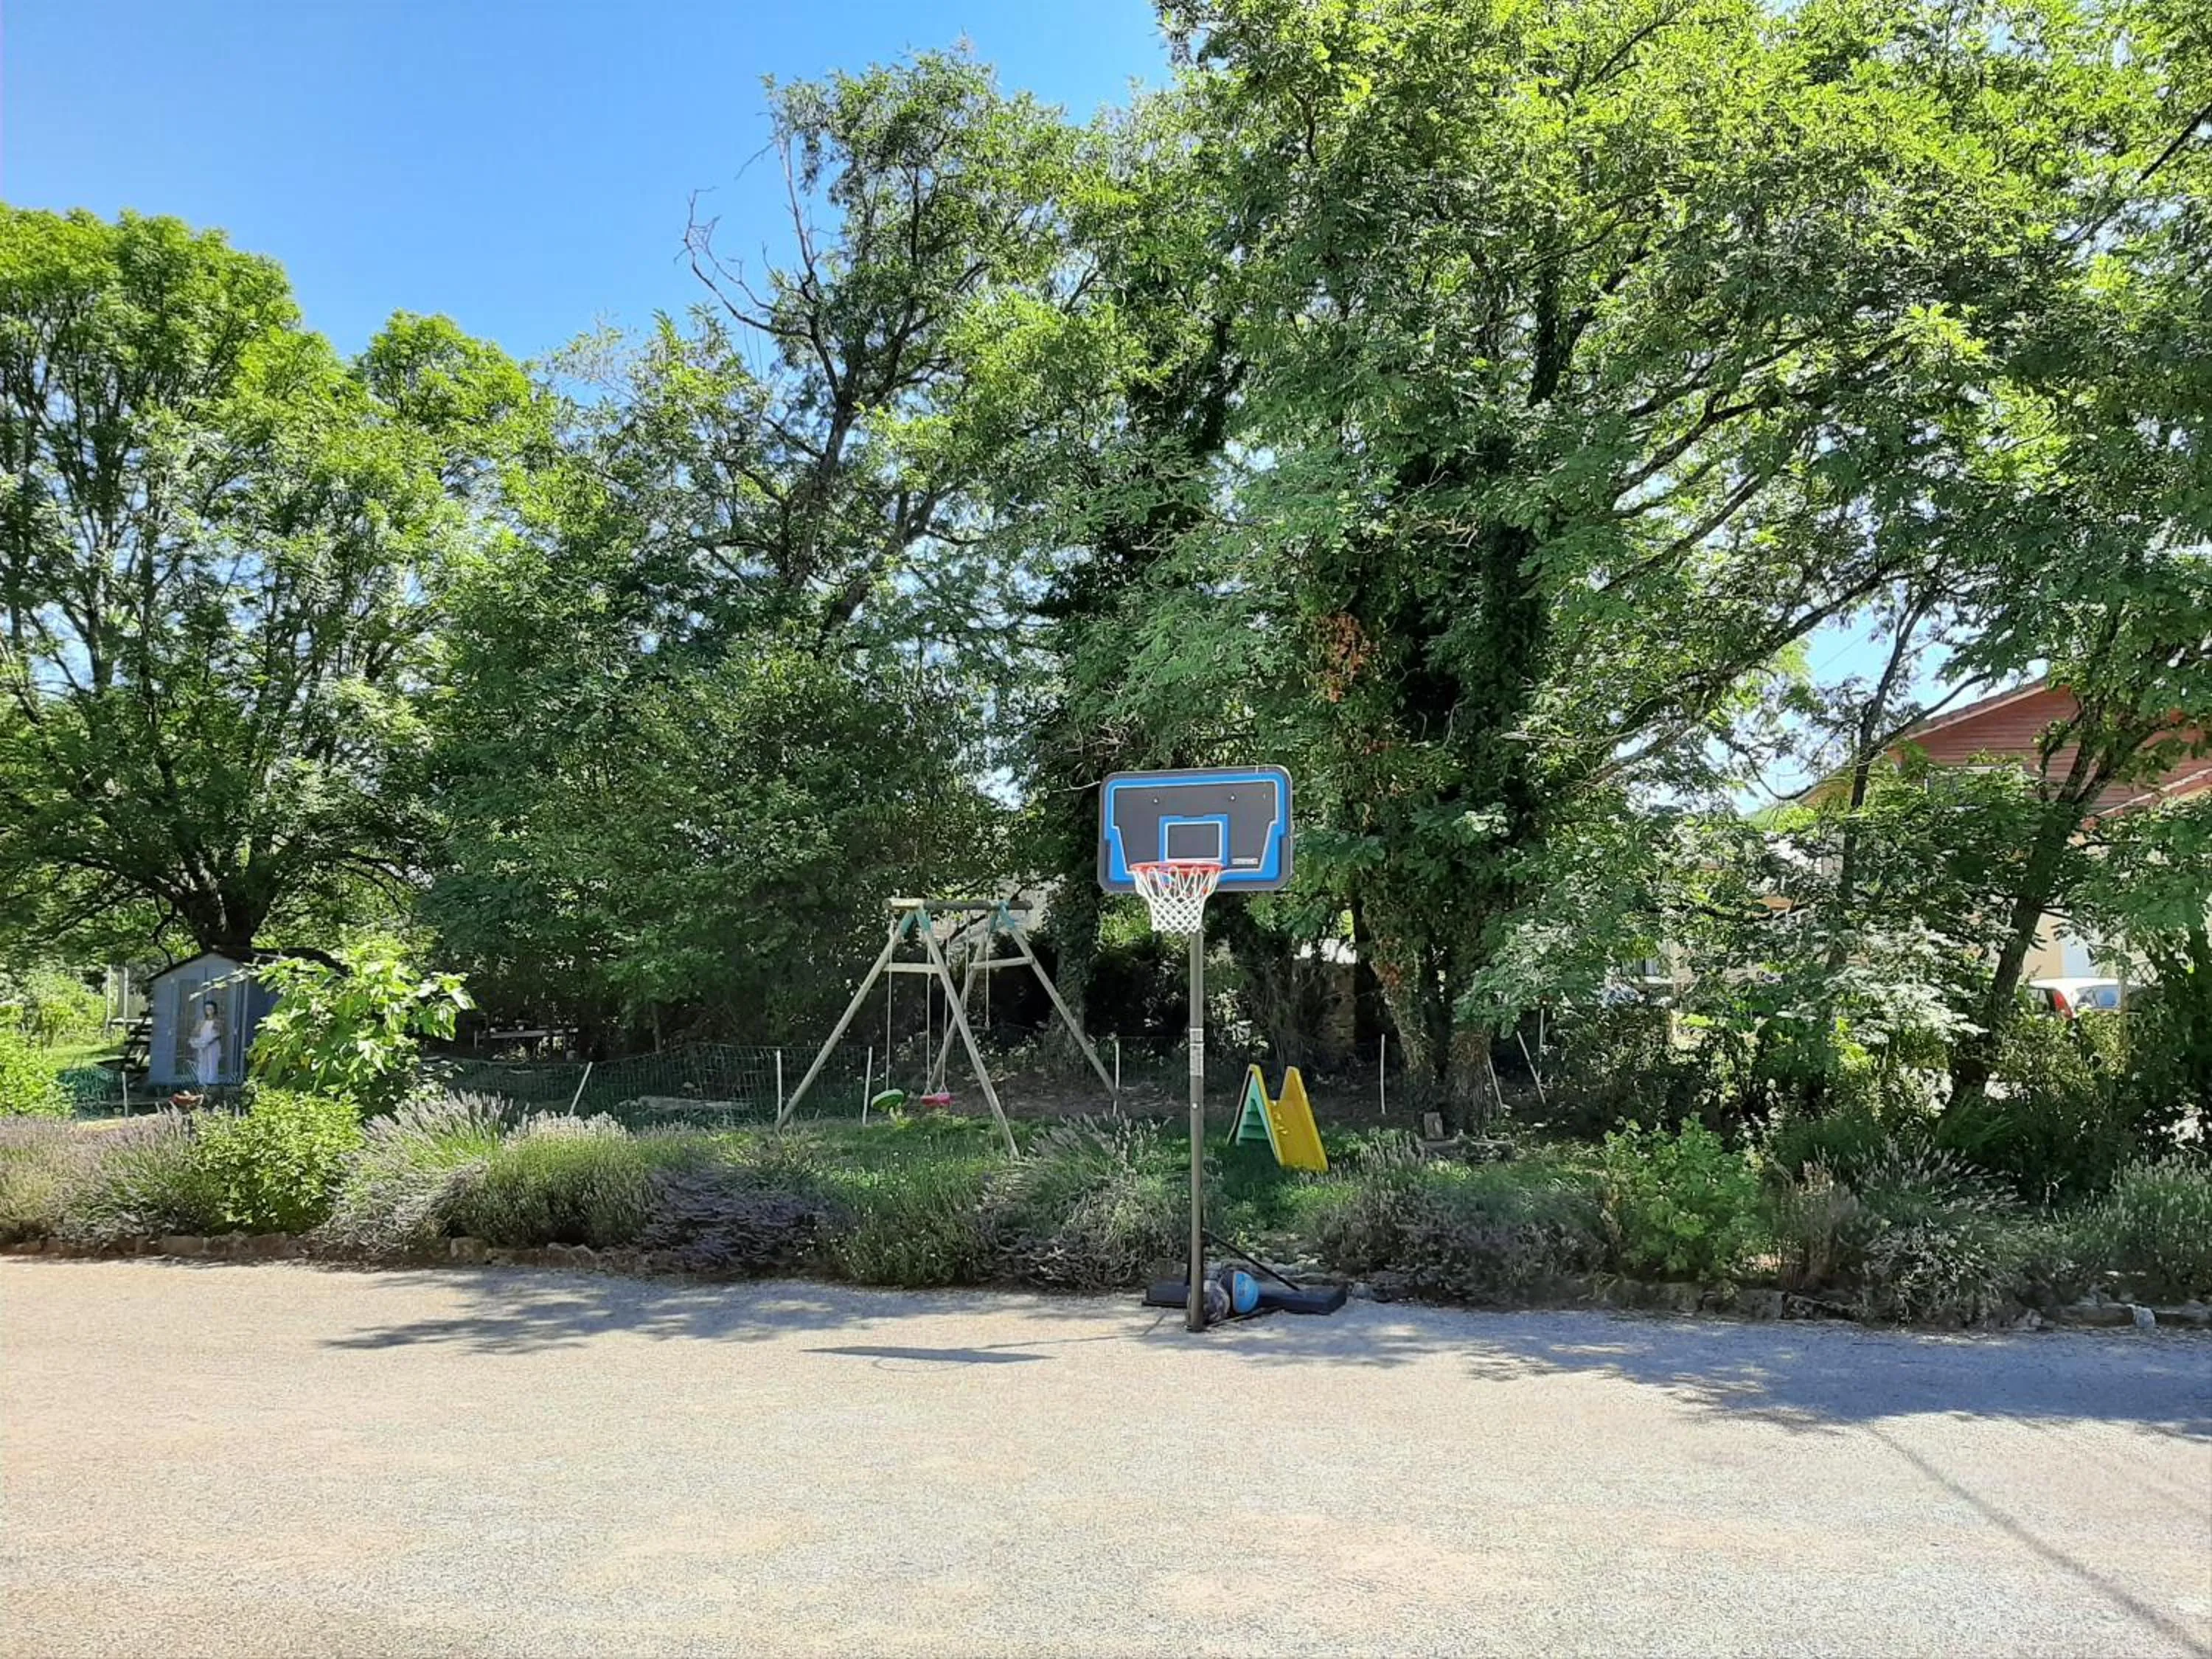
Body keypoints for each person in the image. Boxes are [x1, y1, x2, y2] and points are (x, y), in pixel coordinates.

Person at [189, 998, 224, 1088]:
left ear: (214, 1010)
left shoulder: (218, 1021)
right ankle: (202, 1081)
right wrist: (194, 1039)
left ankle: (212, 1082)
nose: (209, 1011)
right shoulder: (202, 1021)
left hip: (213, 1044)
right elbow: (195, 1031)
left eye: (211, 1009)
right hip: (203, 1044)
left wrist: (209, 1042)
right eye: (207, 1009)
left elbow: (219, 1034)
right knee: (202, 1062)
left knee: (212, 1063)